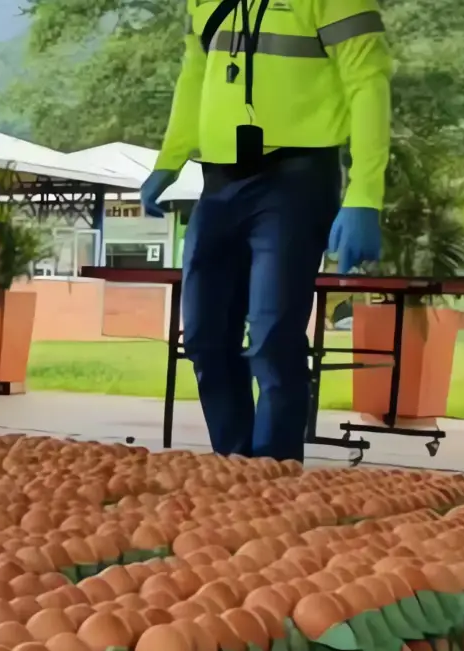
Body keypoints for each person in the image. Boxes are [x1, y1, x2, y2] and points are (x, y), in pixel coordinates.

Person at [140, 0, 392, 461]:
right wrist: (169, 160)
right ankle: (237, 467)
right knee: (204, 337)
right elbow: (194, 76)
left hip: (296, 179)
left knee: (273, 341)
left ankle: (275, 476)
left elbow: (368, 85)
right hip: (218, 180)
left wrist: (364, 195)